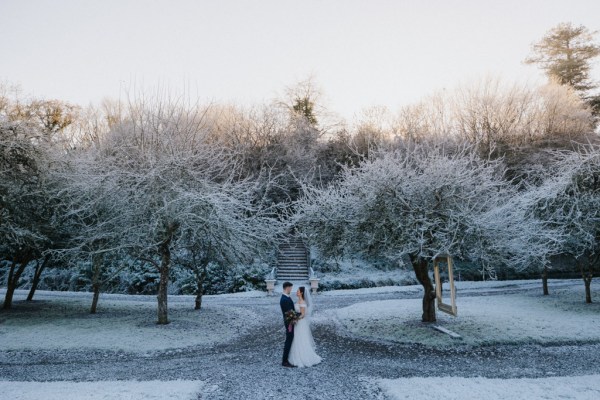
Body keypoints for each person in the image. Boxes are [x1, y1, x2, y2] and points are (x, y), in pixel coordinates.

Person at [288, 286, 322, 368]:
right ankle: (295, 355)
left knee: (301, 338)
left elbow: (303, 315)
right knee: (296, 338)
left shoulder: (302, 302)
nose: (296, 292)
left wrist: (295, 319)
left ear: (302, 293)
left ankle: (303, 356)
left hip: (300, 323)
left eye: (298, 291)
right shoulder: (298, 301)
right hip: (297, 322)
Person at [280, 281, 296, 368]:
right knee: (288, 341)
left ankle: (286, 358)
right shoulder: (284, 299)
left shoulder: (286, 297)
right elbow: (289, 313)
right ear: (287, 288)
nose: (291, 289)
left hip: (290, 321)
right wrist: (298, 315)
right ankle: (284, 361)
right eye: (290, 288)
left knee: (289, 340)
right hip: (289, 323)